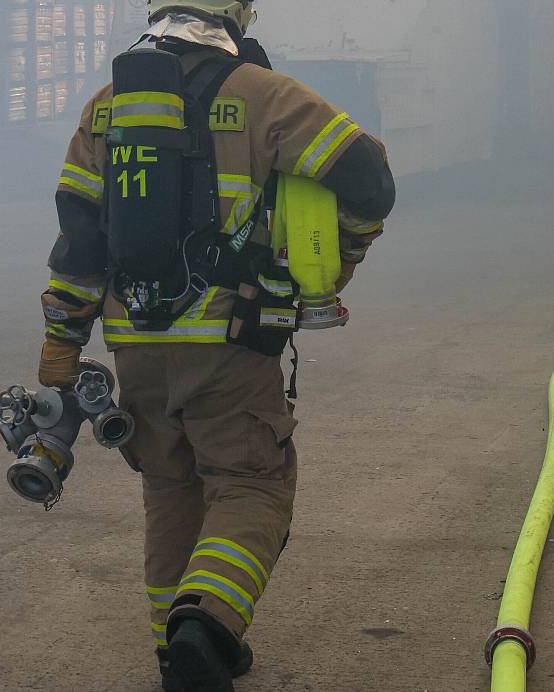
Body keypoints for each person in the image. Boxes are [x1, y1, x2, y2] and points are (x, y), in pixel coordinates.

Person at [36, 1, 395, 689]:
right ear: (237, 12)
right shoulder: (266, 96)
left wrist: (61, 342)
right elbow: (369, 181)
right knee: (253, 484)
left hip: (134, 342)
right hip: (231, 341)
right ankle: (206, 623)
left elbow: (79, 242)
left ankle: (178, 658)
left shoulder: (106, 106)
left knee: (172, 492)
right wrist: (339, 259)